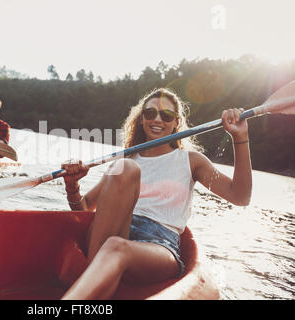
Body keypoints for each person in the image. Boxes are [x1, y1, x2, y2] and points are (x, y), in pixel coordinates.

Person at [60, 88, 252, 300]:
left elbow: (240, 196)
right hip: (110, 237)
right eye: (150, 113)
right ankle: (94, 281)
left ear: (176, 122)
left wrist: (239, 137)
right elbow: (84, 208)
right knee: (126, 168)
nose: (157, 119)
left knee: (116, 247)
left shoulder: (191, 161)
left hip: (159, 246)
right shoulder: (127, 159)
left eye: (166, 115)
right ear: (142, 119)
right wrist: (72, 186)